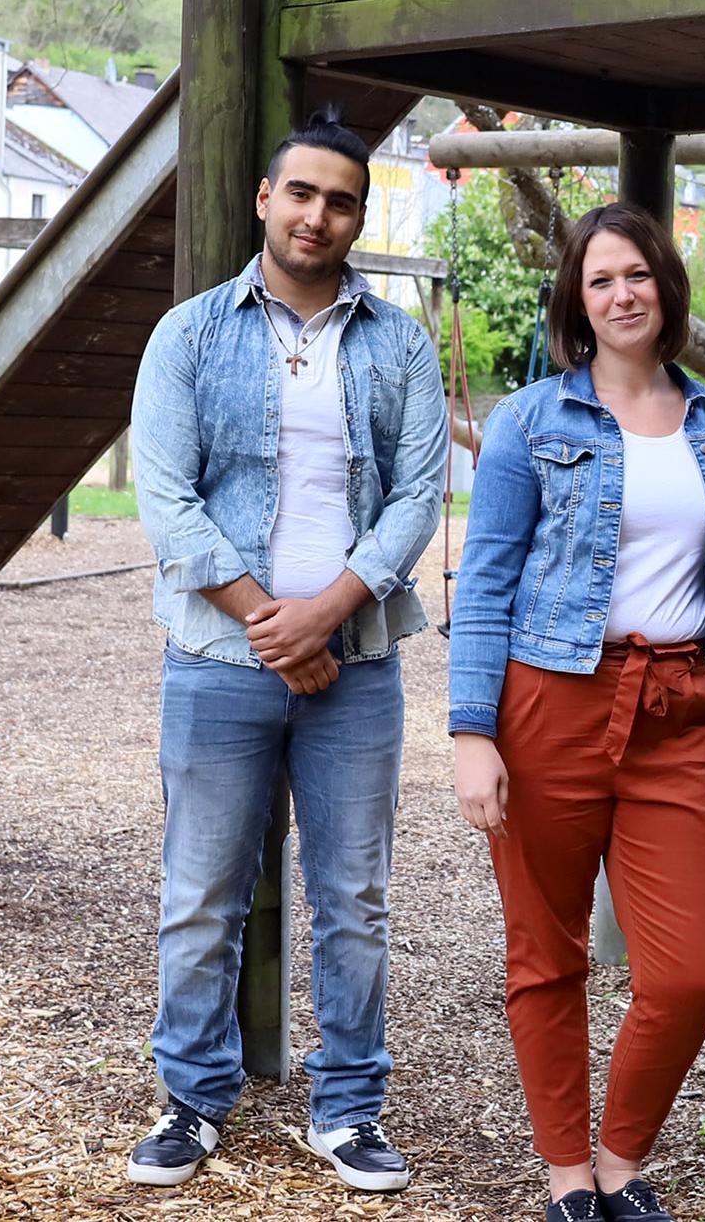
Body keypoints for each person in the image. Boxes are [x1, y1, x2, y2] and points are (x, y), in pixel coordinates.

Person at [123, 109, 449, 1194]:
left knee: (353, 898)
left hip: (353, 667)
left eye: (341, 200)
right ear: (266, 199)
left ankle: (348, 1110)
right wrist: (273, 619)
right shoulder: (191, 335)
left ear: (359, 215)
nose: (319, 215)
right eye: (301, 193)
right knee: (201, 891)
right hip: (217, 659)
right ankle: (191, 1101)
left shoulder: (398, 340)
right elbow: (164, 499)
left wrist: (329, 615)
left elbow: (415, 496)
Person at [447, 203, 705, 1222]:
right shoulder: (534, 420)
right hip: (551, 703)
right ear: (577, 302)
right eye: (600, 280)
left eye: (637, 276)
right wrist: (471, 733)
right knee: (547, 951)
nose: (622, 294)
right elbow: (484, 582)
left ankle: (622, 1157)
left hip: (671, 712)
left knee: (689, 969)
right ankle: (570, 1177)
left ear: (666, 287)